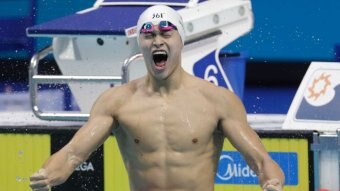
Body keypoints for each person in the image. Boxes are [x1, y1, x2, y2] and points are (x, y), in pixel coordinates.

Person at [30, 5, 284, 191]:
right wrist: (48, 174)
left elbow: (261, 160)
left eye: (166, 33)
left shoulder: (217, 101)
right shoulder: (117, 102)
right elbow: (73, 154)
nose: (157, 41)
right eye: (149, 35)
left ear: (181, 40)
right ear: (139, 42)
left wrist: (271, 182)